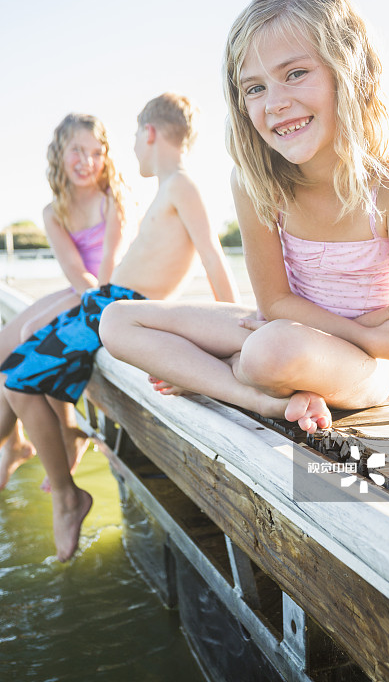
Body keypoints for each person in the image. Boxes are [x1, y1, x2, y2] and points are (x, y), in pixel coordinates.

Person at [100, 0, 389, 436]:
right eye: (254, 87)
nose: (274, 103)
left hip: (366, 360)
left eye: (295, 74)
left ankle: (224, 371)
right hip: (285, 325)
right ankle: (256, 397)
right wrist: (354, 331)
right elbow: (273, 301)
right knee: (116, 320)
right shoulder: (255, 182)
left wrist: (364, 339)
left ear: (348, 70)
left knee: (270, 352)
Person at [1, 92, 239, 561]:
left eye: (133, 136)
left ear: (149, 133)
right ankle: (59, 478)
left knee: (17, 381)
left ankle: (68, 497)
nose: (131, 147)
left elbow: (212, 254)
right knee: (16, 376)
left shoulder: (181, 186)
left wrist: (234, 332)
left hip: (119, 306)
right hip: (108, 304)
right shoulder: (168, 188)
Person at [0, 113, 126, 490]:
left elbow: (109, 271)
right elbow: (75, 272)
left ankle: (69, 433)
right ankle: (18, 440)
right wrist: (84, 295)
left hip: (112, 292)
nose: (86, 161)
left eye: (95, 152)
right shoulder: (53, 211)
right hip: (80, 287)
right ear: (60, 153)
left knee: (29, 330)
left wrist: (91, 301)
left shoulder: (113, 200)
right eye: (77, 150)